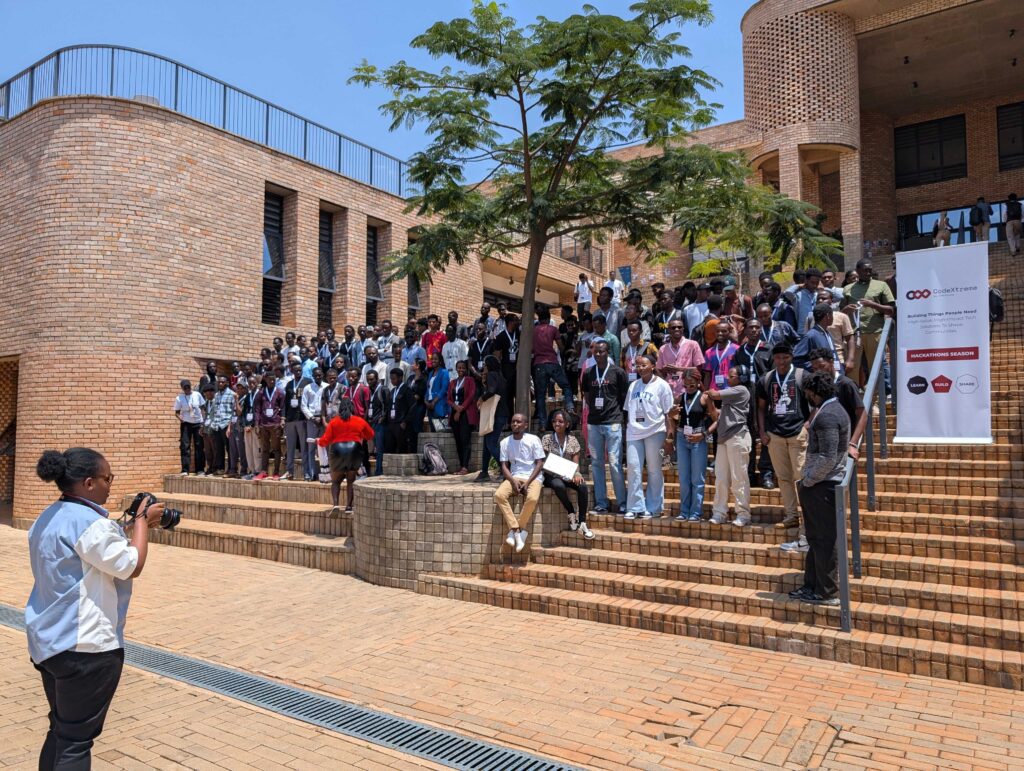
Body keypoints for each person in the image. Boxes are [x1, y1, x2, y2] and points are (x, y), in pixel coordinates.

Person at [27, 447, 164, 769]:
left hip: (50, 643)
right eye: (107, 478)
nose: (110, 484)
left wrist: (132, 528)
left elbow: (93, 555)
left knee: (63, 731)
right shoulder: (91, 524)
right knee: (76, 742)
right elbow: (131, 565)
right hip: (87, 648)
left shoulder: (49, 516)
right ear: (89, 483)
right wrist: (142, 521)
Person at [788, 371, 850, 606]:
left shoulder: (828, 415)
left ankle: (826, 592)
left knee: (823, 540)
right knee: (815, 539)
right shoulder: (830, 410)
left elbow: (828, 456)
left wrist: (809, 480)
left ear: (815, 393)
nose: (807, 398)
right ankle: (812, 586)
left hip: (822, 486)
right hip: (819, 485)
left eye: (808, 394)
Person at [755, 343, 809, 551]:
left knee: (801, 478)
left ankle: (806, 517)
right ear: (773, 359)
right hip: (775, 435)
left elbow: (816, 402)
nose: (782, 361)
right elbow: (760, 408)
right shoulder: (766, 379)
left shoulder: (803, 376)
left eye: (785, 357)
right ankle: (791, 515)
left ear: (791, 356)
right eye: (778, 358)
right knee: (783, 478)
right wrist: (762, 431)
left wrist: (808, 424)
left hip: (798, 433)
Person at [624, 354, 675, 519]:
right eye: (637, 365)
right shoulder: (633, 386)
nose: (640, 368)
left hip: (655, 432)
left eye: (644, 365)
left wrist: (669, 437)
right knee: (633, 468)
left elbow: (669, 414)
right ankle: (635, 506)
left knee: (654, 470)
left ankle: (653, 507)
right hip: (633, 432)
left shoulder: (662, 386)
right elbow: (628, 410)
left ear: (653, 366)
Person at [582, 340, 628, 513]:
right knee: (596, 463)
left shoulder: (618, 372)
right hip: (594, 423)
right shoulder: (588, 373)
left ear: (608, 352)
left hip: (613, 422)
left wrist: (619, 416)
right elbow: (586, 395)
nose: (599, 354)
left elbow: (623, 397)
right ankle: (601, 502)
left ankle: (622, 502)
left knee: (615, 463)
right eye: (596, 352)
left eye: (602, 351)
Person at [666, 370, 715, 521]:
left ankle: (696, 512)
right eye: (686, 385)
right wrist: (670, 415)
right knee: (684, 478)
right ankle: (684, 511)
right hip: (682, 438)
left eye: (692, 384)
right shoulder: (680, 397)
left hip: (698, 438)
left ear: (698, 382)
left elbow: (716, 419)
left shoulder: (705, 397)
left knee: (697, 478)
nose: (689, 387)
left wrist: (704, 435)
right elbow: (672, 419)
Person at [707, 367, 752, 526]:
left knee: (738, 477)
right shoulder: (731, 396)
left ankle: (743, 514)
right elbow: (715, 412)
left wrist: (701, 385)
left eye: (731, 376)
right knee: (721, 478)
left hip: (738, 436)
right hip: (723, 438)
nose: (727, 378)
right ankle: (720, 513)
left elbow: (714, 394)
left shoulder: (741, 390)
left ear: (741, 377)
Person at [495, 413, 546, 553]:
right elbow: (504, 466)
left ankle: (517, 531)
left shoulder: (533, 439)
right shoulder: (505, 442)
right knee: (499, 495)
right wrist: (512, 480)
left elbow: (540, 463)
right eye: (513, 422)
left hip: (533, 477)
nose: (515, 424)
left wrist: (528, 482)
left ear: (525, 425)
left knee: (532, 498)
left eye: (518, 422)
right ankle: (516, 529)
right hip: (515, 476)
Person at [840, 259, 895, 386]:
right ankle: (854, 399)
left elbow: (891, 310)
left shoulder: (881, 285)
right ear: (858, 271)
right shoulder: (847, 289)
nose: (868, 273)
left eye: (870, 270)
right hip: (853, 335)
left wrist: (872, 304)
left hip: (875, 333)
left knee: (877, 369)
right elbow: (841, 313)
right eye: (865, 270)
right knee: (852, 369)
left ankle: (876, 402)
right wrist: (846, 310)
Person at [733, 320, 774, 488]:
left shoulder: (768, 349)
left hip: (765, 398)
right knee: (746, 436)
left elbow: (773, 374)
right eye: (751, 327)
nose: (754, 330)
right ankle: (749, 473)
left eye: (757, 327)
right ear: (745, 330)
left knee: (766, 436)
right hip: (746, 400)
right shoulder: (740, 352)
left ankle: (766, 474)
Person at [541, 410, 594, 539]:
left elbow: (575, 462)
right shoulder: (547, 438)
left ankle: (582, 522)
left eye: (560, 421)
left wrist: (576, 474)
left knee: (582, 486)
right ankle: (571, 511)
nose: (556, 423)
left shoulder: (572, 440)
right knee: (559, 486)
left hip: (567, 473)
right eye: (554, 421)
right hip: (551, 475)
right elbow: (542, 461)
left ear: (567, 424)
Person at [318, 397, 375, 513]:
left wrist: (318, 441)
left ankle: (335, 505)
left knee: (335, 481)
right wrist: (360, 436)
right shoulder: (359, 421)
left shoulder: (334, 422)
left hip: (337, 451)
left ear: (340, 409)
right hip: (354, 451)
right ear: (352, 408)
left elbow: (325, 440)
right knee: (351, 480)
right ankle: (349, 507)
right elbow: (370, 435)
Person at [532, 305, 574, 428]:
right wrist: (565, 352)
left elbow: (531, 349)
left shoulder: (533, 331)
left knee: (540, 395)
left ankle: (543, 423)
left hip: (539, 363)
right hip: (552, 362)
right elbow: (561, 347)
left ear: (539, 319)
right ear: (549, 317)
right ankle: (570, 406)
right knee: (566, 386)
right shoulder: (553, 329)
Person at [808, 347, 864, 432]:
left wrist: (853, 442)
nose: (818, 371)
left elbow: (862, 414)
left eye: (822, 366)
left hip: (846, 438)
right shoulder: (818, 385)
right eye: (815, 369)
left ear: (831, 362)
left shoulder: (847, 384)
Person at [476, 355, 507, 482]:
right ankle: (484, 472)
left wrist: (481, 398)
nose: (484, 367)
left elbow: (492, 391)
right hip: (500, 413)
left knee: (491, 443)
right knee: (486, 444)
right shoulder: (500, 376)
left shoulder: (492, 375)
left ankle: (506, 468)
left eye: (485, 364)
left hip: (495, 414)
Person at [656, 318, 705, 398]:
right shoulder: (663, 348)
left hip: (688, 389)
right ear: (669, 330)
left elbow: (698, 369)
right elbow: (659, 372)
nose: (677, 329)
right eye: (673, 327)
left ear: (683, 329)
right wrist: (664, 370)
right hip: (670, 391)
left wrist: (678, 369)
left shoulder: (692, 344)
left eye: (679, 327)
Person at [447, 360, 478, 474]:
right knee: (458, 441)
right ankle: (461, 466)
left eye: (463, 368)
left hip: (466, 414)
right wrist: (455, 407)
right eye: (459, 368)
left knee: (465, 440)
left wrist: (460, 409)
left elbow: (471, 396)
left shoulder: (470, 380)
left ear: (466, 369)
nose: (461, 370)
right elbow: (448, 398)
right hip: (455, 414)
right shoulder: (453, 382)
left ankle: (465, 466)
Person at [253, 371, 285, 480]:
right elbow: (257, 410)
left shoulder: (280, 392)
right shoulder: (261, 393)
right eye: (270, 379)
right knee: (265, 449)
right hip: (263, 424)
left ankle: (276, 472)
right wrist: (257, 424)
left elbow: (283, 408)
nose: (272, 381)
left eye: (274, 379)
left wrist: (282, 420)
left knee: (276, 449)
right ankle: (263, 471)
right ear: (265, 380)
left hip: (275, 424)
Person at [793, 304, 839, 371]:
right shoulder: (811, 335)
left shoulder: (826, 333)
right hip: (821, 377)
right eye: (832, 315)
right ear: (828, 316)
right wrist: (818, 367)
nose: (833, 318)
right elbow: (797, 360)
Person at [492, 313, 520, 421]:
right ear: (510, 322)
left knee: (518, 393)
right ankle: (509, 420)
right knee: (508, 395)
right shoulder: (501, 336)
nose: (517, 323)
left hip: (518, 368)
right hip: (506, 368)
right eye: (515, 320)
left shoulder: (519, 334)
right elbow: (497, 354)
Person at [282, 363, 308, 480]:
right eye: (296, 370)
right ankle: (289, 471)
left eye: (300, 370)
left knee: (304, 446)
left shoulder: (307, 382)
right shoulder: (289, 384)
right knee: (290, 447)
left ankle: (306, 472)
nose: (298, 372)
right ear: (292, 371)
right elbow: (285, 403)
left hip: (302, 418)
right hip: (290, 419)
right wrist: (283, 417)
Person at [174, 379, 205, 475]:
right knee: (185, 446)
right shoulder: (179, 398)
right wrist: (181, 419)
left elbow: (203, 408)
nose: (187, 388)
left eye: (188, 386)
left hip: (198, 423)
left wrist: (203, 421)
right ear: (182, 388)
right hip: (186, 424)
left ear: (190, 386)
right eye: (185, 387)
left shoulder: (197, 395)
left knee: (199, 446)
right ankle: (185, 470)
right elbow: (177, 412)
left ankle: (200, 470)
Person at [300, 367, 324, 481]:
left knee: (325, 447)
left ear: (322, 375)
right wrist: (312, 418)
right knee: (311, 448)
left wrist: (323, 418)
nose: (318, 377)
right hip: (312, 420)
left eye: (320, 375)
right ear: (313, 376)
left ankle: (326, 473)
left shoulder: (327, 386)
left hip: (324, 420)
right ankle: (311, 473)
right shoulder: (307, 388)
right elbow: (304, 405)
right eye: (316, 376)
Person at [384, 367, 415, 455]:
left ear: (400, 378)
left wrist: (405, 421)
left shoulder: (407, 390)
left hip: (401, 423)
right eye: (391, 379)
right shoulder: (393, 391)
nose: (392, 381)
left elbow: (412, 406)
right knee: (390, 446)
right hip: (392, 422)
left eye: (394, 379)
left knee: (402, 447)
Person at [703, 321, 739, 392]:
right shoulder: (709, 352)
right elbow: (707, 376)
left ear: (729, 332)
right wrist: (705, 392)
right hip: (713, 391)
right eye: (717, 331)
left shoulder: (737, 349)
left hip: (731, 390)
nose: (720, 333)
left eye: (724, 331)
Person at [365, 370, 388, 476]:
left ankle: (379, 471)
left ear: (377, 379)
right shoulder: (369, 390)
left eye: (371, 379)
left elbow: (387, 405)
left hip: (380, 423)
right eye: (368, 379)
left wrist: (383, 417)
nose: (369, 381)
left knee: (380, 448)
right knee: (372, 448)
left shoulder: (383, 389)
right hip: (371, 422)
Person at [425, 352, 451, 431]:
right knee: (433, 430)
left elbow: (444, 389)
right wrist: (426, 401)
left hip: (439, 405)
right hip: (429, 405)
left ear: (440, 361)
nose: (433, 360)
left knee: (440, 431)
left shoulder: (444, 372)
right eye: (432, 359)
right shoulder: (430, 374)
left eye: (435, 359)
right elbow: (428, 389)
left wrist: (434, 402)